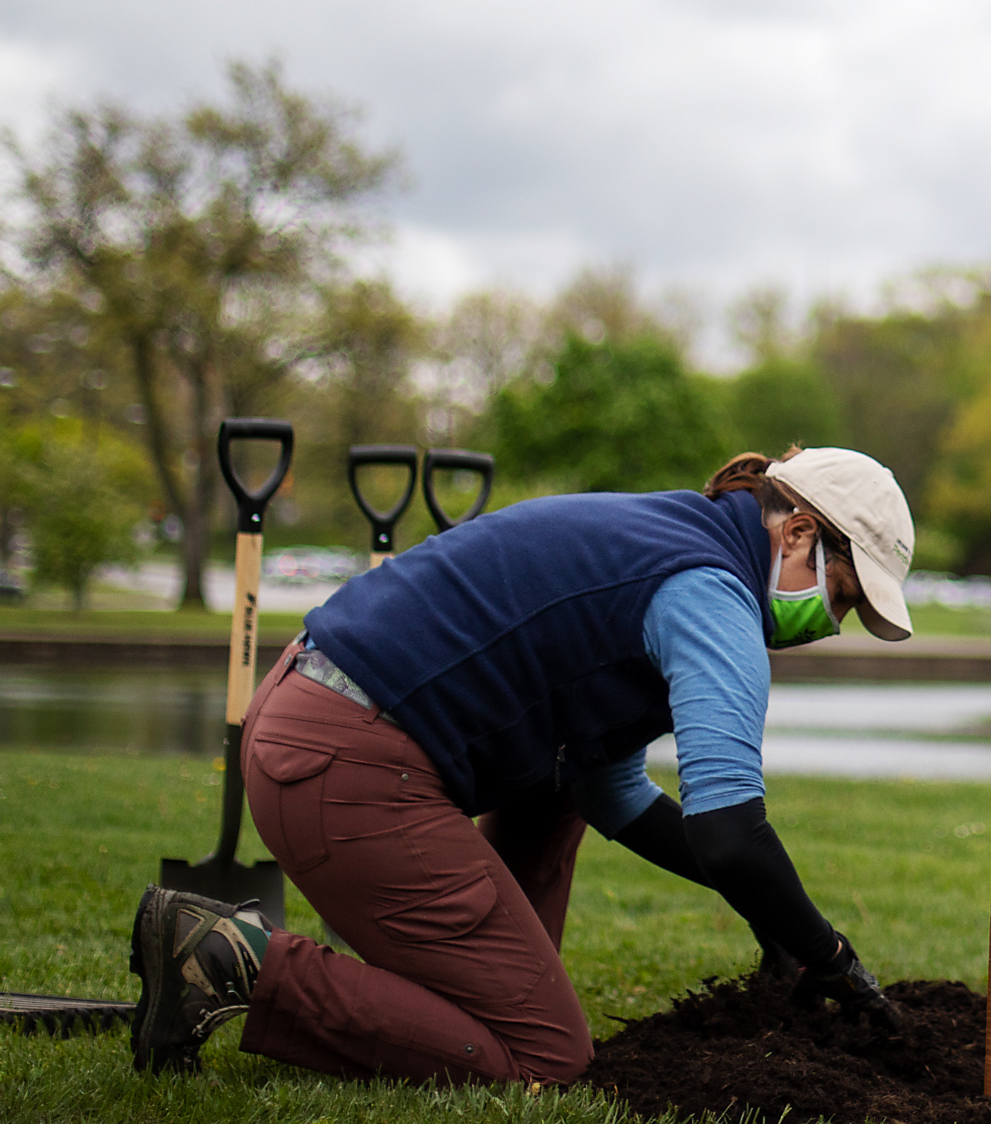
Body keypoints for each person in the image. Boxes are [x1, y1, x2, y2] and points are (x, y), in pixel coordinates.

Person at [126, 446, 913, 1083]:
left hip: (310, 712)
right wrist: (828, 953)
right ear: (801, 532)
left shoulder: (677, 536)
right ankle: (226, 957)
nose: (833, 623)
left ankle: (468, 989)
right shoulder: (710, 592)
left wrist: (768, 910)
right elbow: (731, 834)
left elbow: (613, 793)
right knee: (545, 1058)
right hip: (346, 763)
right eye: (842, 597)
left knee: (564, 792)